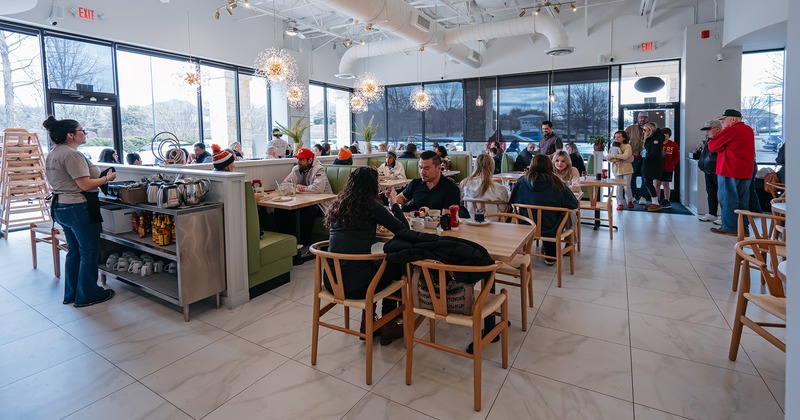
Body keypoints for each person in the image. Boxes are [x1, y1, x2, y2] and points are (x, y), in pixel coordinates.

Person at [326, 167, 409, 344]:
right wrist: (394, 202)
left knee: (371, 265)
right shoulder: (371, 206)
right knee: (397, 258)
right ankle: (389, 322)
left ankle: (369, 320)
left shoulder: (338, 204)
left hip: (332, 281)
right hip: (358, 286)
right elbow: (404, 231)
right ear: (372, 185)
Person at [43, 116, 116, 307]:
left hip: (62, 207)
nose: (85, 133)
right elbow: (84, 184)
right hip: (77, 207)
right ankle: (88, 295)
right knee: (89, 251)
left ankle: (72, 293)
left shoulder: (54, 153)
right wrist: (107, 178)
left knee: (74, 251)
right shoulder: (71, 155)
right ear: (71, 135)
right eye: (82, 130)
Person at [510, 154, 579, 265]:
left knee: (540, 216)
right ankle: (550, 256)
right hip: (551, 226)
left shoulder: (522, 181)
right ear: (549, 166)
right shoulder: (557, 182)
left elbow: (512, 200)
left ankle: (523, 255)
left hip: (525, 224)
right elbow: (573, 204)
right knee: (553, 216)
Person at [707, 109, 756, 236]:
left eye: (724, 119)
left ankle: (730, 227)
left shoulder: (731, 130)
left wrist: (713, 138)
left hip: (729, 170)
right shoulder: (748, 130)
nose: (722, 122)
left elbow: (713, 147)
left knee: (728, 199)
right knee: (743, 200)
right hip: (745, 171)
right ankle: (743, 227)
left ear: (733, 119)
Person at [277, 147, 333, 250]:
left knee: (307, 210)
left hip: (322, 205)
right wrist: (295, 187)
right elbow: (284, 184)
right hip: (305, 201)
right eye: (298, 159)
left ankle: (304, 242)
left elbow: (317, 189)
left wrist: (299, 189)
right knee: (282, 210)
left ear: (310, 160)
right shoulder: (296, 169)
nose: (298, 162)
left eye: (301, 159)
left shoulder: (318, 169)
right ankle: (289, 242)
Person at [396, 150, 461, 212]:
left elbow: (447, 218)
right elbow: (401, 198)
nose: (422, 172)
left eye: (426, 168)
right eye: (420, 167)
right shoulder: (415, 184)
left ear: (438, 168)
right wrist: (393, 201)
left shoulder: (451, 189)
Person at [461, 154, 509, 219]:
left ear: (475, 166)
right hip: (494, 225)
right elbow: (503, 209)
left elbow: (465, 206)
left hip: (472, 222)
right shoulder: (498, 188)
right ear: (491, 167)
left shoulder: (466, 184)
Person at [697, 120, 722, 222]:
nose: (707, 132)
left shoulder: (721, 139)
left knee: (721, 194)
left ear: (717, 129)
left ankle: (724, 215)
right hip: (708, 170)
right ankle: (712, 213)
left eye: (709, 129)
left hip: (718, 170)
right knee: (711, 192)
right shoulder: (709, 139)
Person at [605, 131, 634, 210]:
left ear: (624, 138)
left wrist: (614, 156)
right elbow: (608, 158)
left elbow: (626, 156)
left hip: (627, 169)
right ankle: (620, 203)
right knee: (619, 187)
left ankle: (629, 201)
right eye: (615, 137)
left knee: (627, 186)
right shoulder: (612, 146)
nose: (616, 139)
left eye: (619, 137)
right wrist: (615, 160)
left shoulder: (627, 146)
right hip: (616, 169)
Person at [641, 122, 666, 212]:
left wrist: (646, 159)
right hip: (648, 163)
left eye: (645, 130)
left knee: (648, 182)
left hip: (652, 164)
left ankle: (656, 202)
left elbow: (654, 153)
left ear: (650, 130)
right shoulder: (650, 139)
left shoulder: (656, 140)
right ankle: (654, 201)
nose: (643, 132)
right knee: (647, 182)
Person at [625, 111, 649, 204]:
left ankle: (643, 196)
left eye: (645, 117)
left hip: (645, 157)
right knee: (632, 177)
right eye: (641, 117)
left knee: (645, 177)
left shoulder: (650, 129)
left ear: (647, 119)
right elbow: (624, 141)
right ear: (637, 119)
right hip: (633, 156)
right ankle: (633, 195)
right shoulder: (630, 128)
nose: (642, 119)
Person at [655, 127, 679, 208]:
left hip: (668, 168)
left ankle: (666, 200)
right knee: (656, 183)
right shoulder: (657, 144)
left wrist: (672, 164)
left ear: (669, 135)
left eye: (667, 134)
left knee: (666, 184)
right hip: (658, 168)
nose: (665, 135)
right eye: (663, 134)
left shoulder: (674, 145)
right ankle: (656, 200)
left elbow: (676, 156)